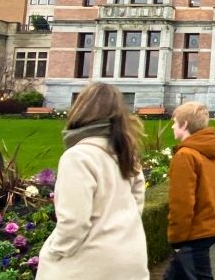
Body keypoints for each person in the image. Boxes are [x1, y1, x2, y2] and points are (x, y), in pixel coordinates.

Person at [37, 83, 148, 280]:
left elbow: (74, 222)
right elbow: (137, 200)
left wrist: (54, 251)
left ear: (81, 109)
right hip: (130, 258)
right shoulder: (126, 152)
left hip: (89, 264)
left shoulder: (78, 156)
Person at [164, 102, 215, 280]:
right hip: (209, 228)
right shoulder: (211, 153)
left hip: (193, 234)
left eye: (175, 122)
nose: (173, 126)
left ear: (184, 125)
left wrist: (177, 239)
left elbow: (182, 203)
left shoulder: (186, 155)